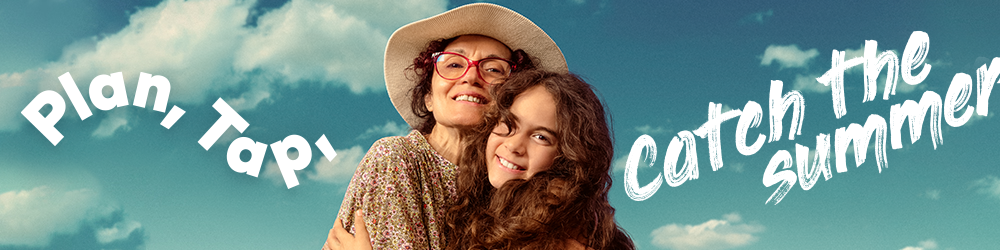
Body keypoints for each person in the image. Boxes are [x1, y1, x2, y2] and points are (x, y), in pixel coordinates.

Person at [325, 3, 567, 250]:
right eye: (453, 65)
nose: (470, 77)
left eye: (493, 69)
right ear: (428, 97)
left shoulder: (512, 182)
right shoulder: (396, 158)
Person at [328, 70, 635, 250]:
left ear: (568, 157)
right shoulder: (491, 212)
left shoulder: (562, 233)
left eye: (541, 137)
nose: (513, 145)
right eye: (509, 124)